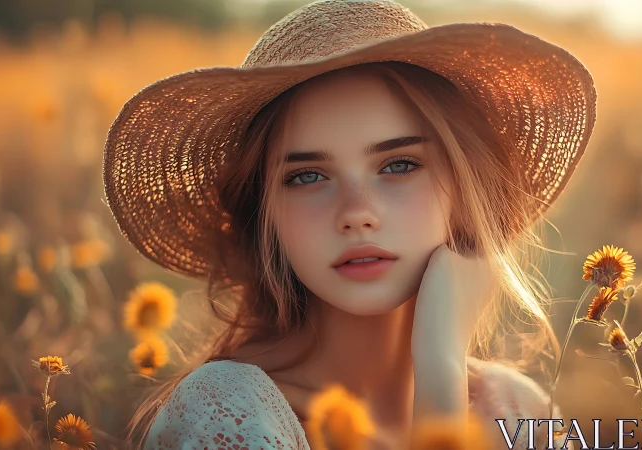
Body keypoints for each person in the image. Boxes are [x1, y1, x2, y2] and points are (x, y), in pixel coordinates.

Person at [102, 0, 596, 448]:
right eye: (308, 176)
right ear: (264, 212)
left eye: (399, 165)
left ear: (466, 191)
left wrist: (441, 361)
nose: (357, 212)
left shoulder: (517, 410)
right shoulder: (228, 416)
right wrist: (440, 373)